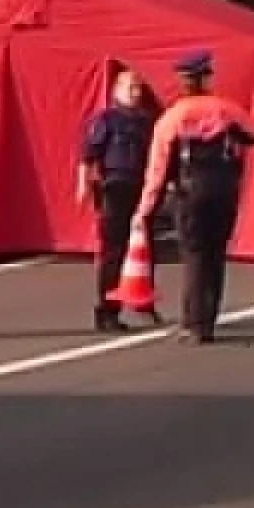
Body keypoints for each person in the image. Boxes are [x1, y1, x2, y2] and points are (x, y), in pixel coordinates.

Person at [132, 51, 254, 344]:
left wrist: (144, 209)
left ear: (182, 82)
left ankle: (193, 323)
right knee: (216, 255)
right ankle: (209, 319)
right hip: (224, 190)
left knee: (194, 255)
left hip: (190, 192)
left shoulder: (173, 117)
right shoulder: (226, 109)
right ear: (206, 78)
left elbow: (157, 167)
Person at [78, 67, 164, 332]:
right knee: (114, 250)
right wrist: (82, 184)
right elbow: (88, 154)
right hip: (115, 186)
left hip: (142, 186)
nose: (134, 93)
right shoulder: (106, 119)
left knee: (144, 246)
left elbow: (159, 154)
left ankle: (143, 301)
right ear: (116, 91)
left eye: (137, 87)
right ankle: (107, 310)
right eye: (129, 87)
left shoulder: (149, 121)